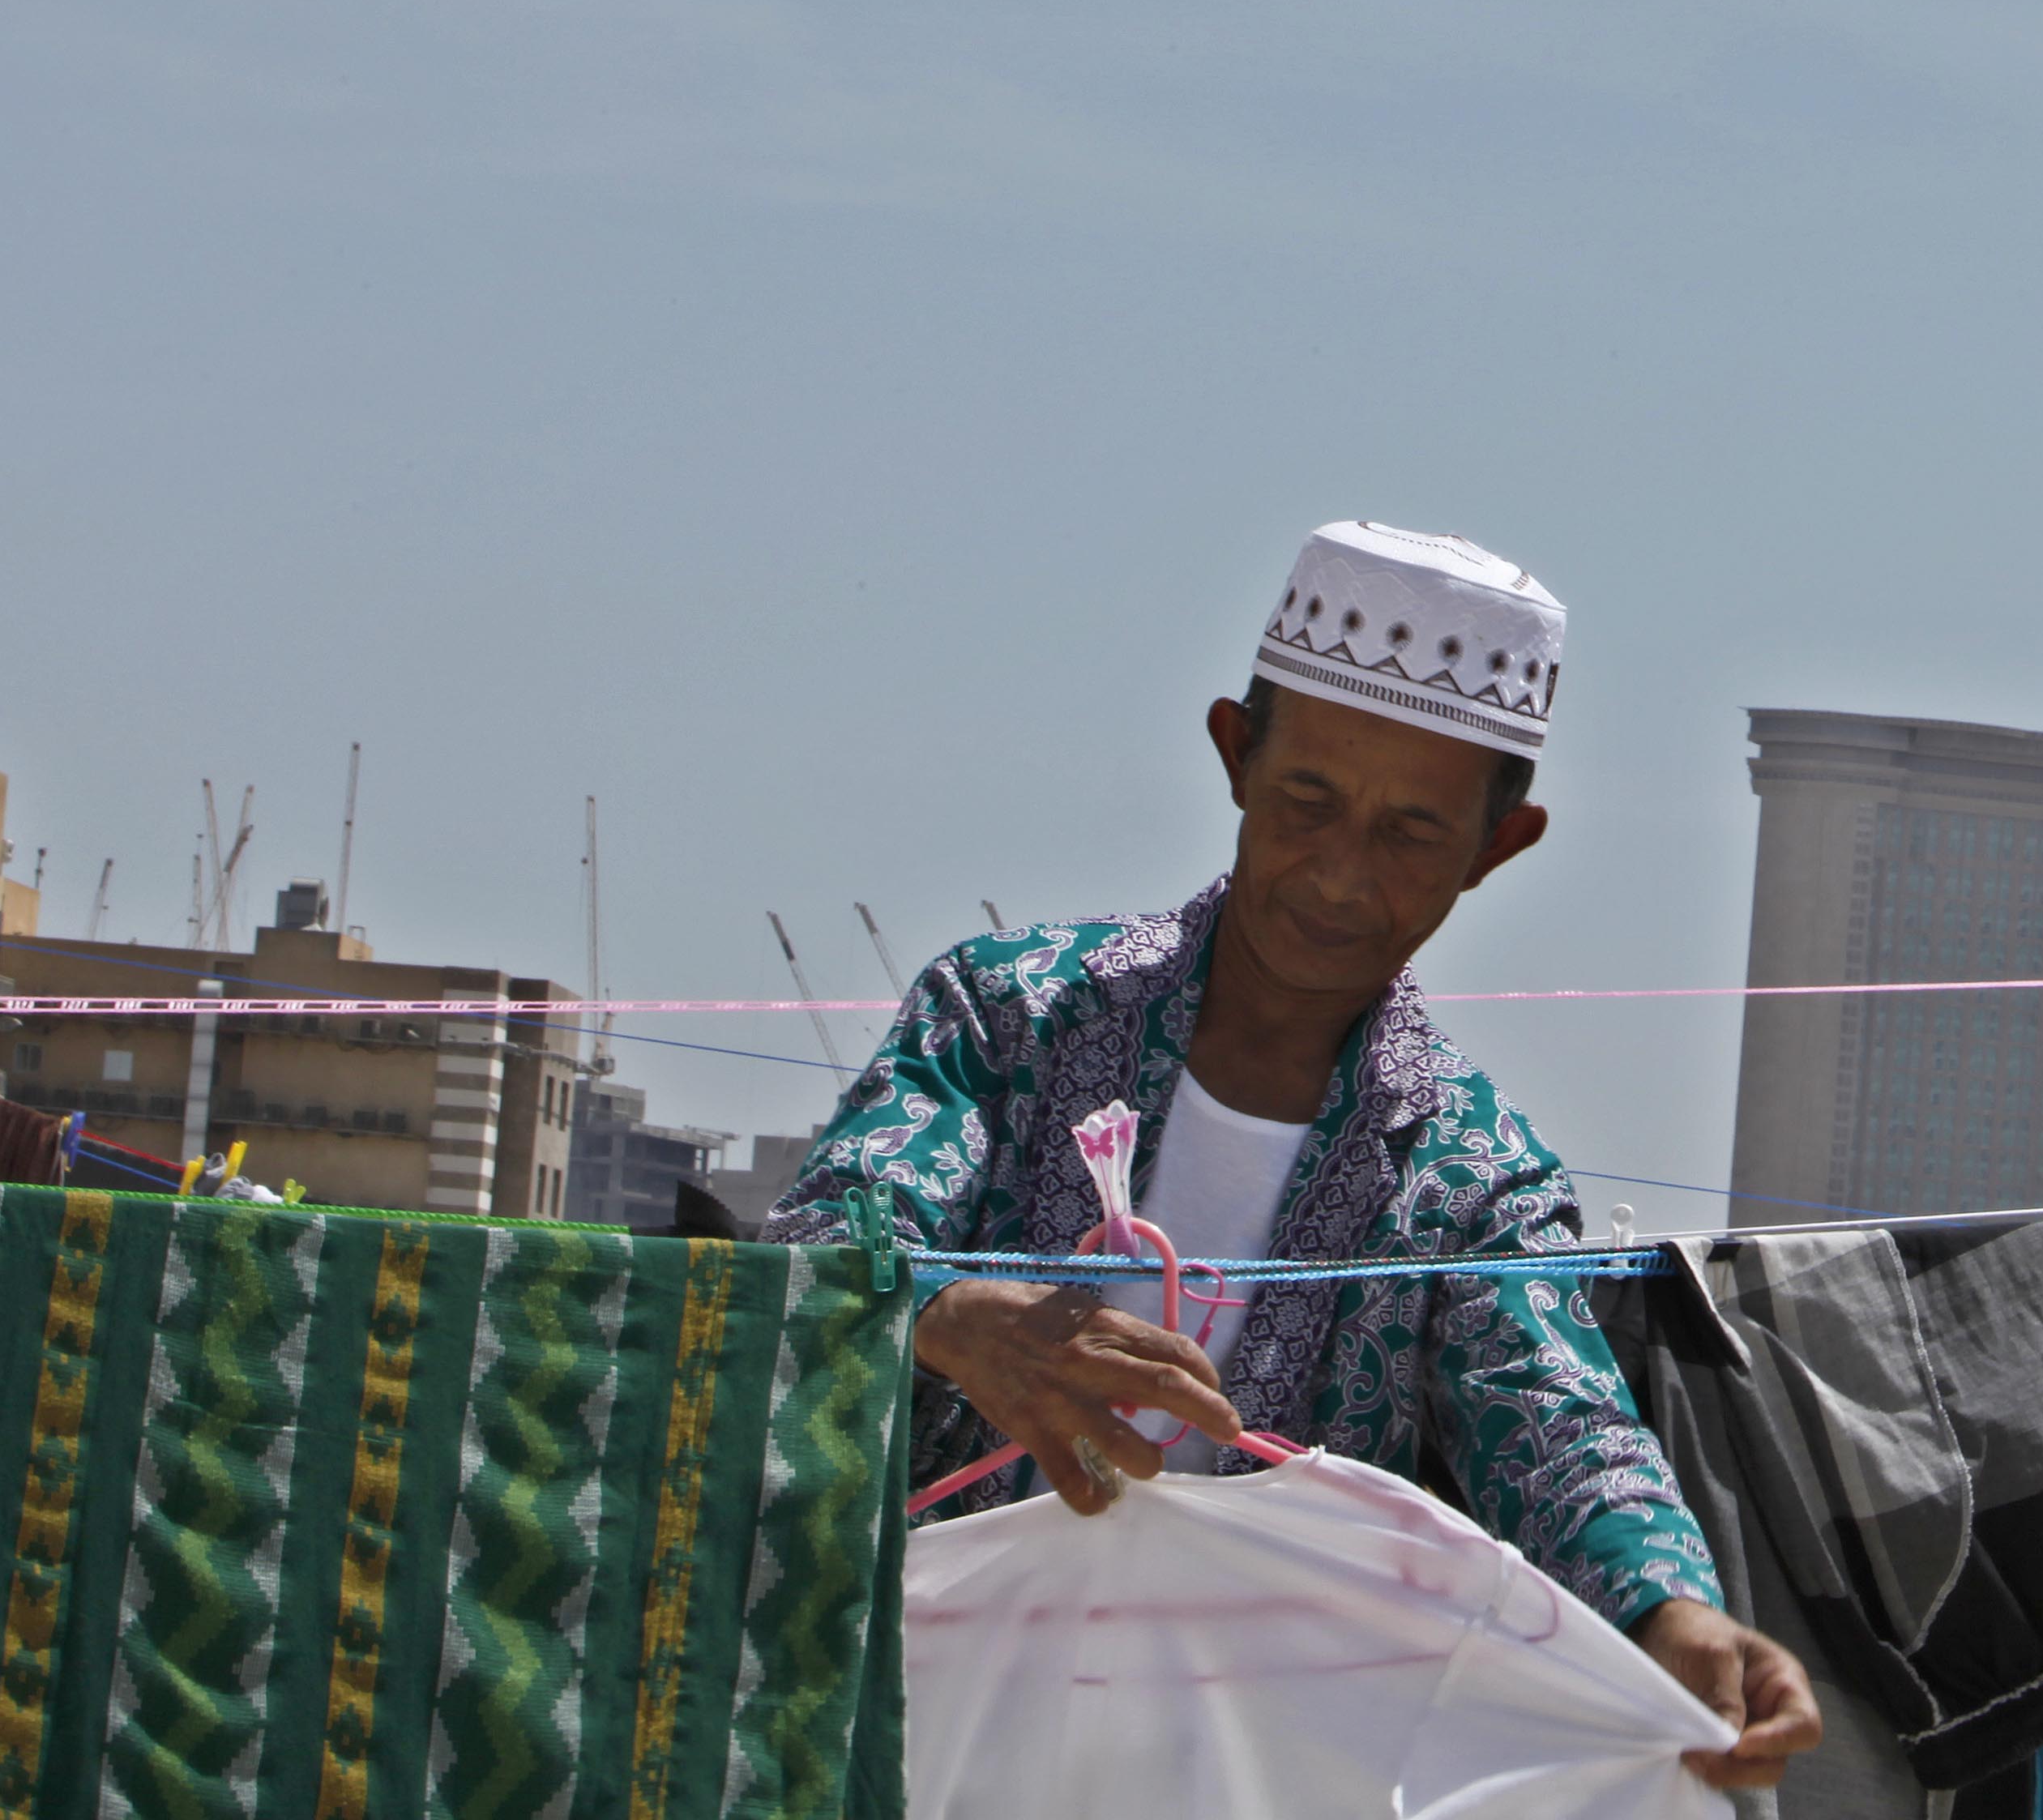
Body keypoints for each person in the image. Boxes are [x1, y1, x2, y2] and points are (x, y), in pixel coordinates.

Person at [766, 520, 1820, 1791]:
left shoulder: (1470, 1179)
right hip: (901, 1736)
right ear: (1235, 754)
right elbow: (822, 1248)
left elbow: (1559, 1428)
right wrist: (956, 1316)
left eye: (1409, 834)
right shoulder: (1007, 1019)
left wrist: (1676, 1613)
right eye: (1309, 800)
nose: (1337, 873)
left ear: (1499, 847)